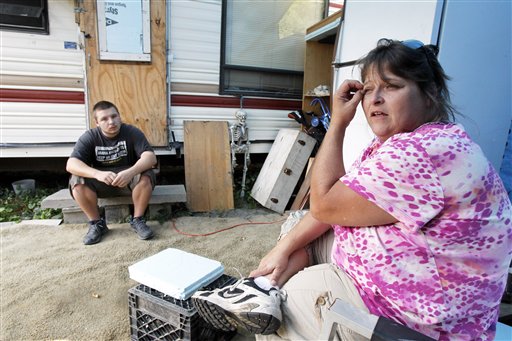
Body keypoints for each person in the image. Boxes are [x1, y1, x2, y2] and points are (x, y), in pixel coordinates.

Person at [192, 39, 512, 340]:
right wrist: (283, 248)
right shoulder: (409, 142)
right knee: (298, 231)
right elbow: (337, 202)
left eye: (392, 87)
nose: (374, 99)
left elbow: (325, 204)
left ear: (429, 93)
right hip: (415, 276)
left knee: (287, 308)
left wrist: (337, 124)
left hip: (422, 320)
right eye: (369, 89)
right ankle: (260, 287)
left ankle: (270, 300)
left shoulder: (423, 152)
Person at [66, 100, 157, 245]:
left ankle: (138, 220)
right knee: (77, 181)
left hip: (129, 182)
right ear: (97, 122)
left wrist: (130, 172)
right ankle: (97, 224)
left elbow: (150, 157)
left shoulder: (132, 132)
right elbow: (71, 164)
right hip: (102, 182)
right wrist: (97, 174)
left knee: (146, 174)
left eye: (114, 116)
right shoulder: (89, 137)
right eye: (104, 119)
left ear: (119, 116)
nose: (111, 122)